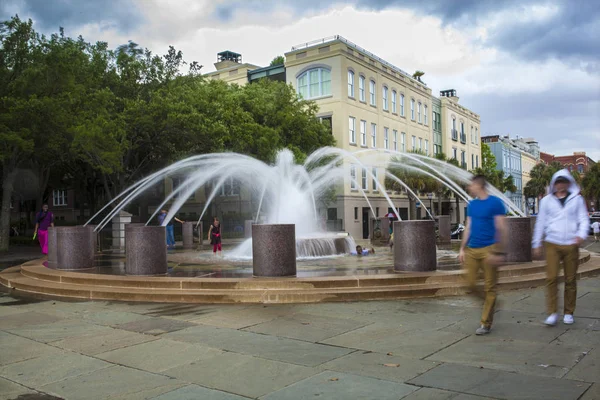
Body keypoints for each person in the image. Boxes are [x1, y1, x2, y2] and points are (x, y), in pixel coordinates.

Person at [532, 170, 589, 326]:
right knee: (551, 278)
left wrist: (581, 234)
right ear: (554, 184)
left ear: (568, 183)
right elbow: (540, 222)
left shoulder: (576, 200)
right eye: (557, 182)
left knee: (570, 279)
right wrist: (536, 243)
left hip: (571, 243)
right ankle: (552, 312)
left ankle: (569, 312)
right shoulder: (546, 201)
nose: (560, 185)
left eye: (563, 182)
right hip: (552, 242)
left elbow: (583, 219)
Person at [459, 175, 507, 335]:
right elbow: (468, 227)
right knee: (470, 284)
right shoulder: (472, 204)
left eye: (471, 185)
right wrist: (461, 249)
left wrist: (498, 252)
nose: (469, 188)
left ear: (479, 185)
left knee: (490, 287)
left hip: (489, 248)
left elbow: (502, 228)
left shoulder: (495, 203)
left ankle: (485, 323)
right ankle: (490, 302)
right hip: (472, 249)